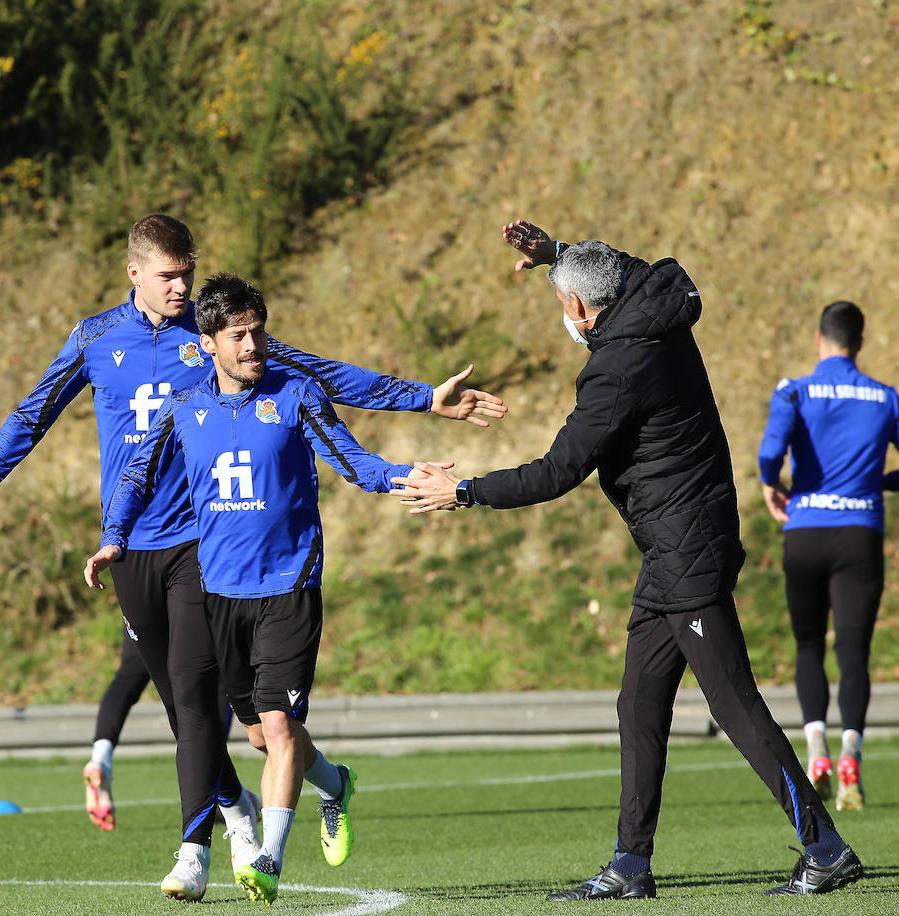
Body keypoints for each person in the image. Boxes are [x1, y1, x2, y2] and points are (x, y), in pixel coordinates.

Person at [0, 214, 506, 900]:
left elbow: (320, 375)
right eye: (168, 275)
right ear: (134, 274)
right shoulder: (95, 339)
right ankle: (253, 803)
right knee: (191, 712)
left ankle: (197, 849)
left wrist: (421, 400)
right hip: (131, 544)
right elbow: (31, 417)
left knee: (212, 708)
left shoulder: (218, 338)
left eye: (187, 273)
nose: (180, 286)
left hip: (206, 546)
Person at [391, 220, 864, 898]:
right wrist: (557, 257)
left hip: (684, 552)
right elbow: (623, 267)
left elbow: (556, 471)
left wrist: (462, 491)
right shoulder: (658, 300)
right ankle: (630, 865)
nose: (564, 316)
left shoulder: (615, 370)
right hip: (679, 544)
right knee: (638, 703)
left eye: (563, 303)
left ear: (582, 309)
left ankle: (825, 846)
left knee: (734, 704)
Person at [86, 273, 434, 905]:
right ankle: (334, 783)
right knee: (256, 732)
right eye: (237, 334)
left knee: (276, 726)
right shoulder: (185, 407)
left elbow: (353, 460)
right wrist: (116, 536)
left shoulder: (296, 396)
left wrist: (405, 477)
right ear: (209, 341)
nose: (251, 345)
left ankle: (268, 856)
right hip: (220, 591)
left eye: (257, 331)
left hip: (290, 584)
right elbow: (136, 473)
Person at [757, 300, 899, 813]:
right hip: (860, 532)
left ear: (820, 341)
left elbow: (770, 454)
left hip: (806, 531)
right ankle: (851, 761)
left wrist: (773, 486)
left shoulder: (794, 390)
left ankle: (814, 751)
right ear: (859, 343)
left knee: (809, 644)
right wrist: (879, 482)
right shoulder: (885, 397)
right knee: (854, 652)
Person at [83, 632, 148, 831]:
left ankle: (100, 756)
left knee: (128, 678)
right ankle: (218, 787)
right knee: (204, 680)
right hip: (186, 605)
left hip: (139, 603)